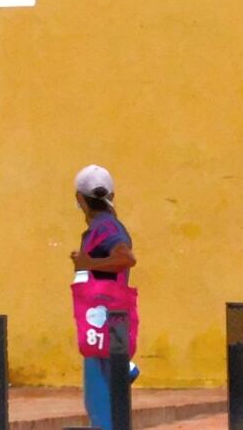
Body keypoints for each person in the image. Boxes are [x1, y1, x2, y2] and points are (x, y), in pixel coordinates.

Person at [71, 164, 140, 430]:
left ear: (80, 199)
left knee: (100, 399)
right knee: (103, 397)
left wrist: (88, 262)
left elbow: (126, 258)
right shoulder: (104, 226)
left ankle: (125, 368)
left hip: (103, 319)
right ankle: (125, 368)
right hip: (105, 319)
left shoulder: (106, 228)